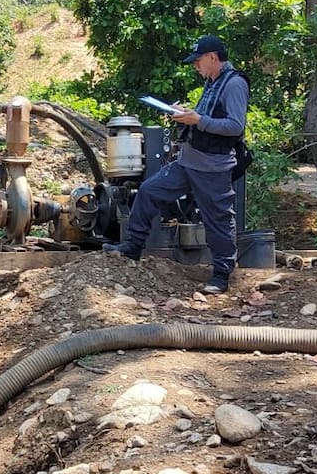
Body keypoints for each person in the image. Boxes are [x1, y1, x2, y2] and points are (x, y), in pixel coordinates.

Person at [103, 34, 249, 294]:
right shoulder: (212, 82)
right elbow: (205, 118)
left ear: (213, 58)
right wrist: (183, 116)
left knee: (218, 220)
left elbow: (235, 126)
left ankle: (221, 275)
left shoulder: (235, 84)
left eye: (198, 61)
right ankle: (131, 248)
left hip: (213, 167)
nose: (196, 66)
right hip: (187, 162)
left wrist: (197, 120)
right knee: (149, 191)